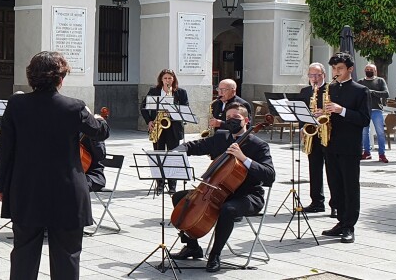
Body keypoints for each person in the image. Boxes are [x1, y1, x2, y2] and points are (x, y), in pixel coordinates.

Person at [0, 51, 108, 280]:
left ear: (31, 78)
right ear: (60, 79)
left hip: (27, 191)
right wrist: (101, 119)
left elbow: (4, 149)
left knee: (23, 256)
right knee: (67, 257)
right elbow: (100, 132)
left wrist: (1, 186)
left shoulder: (16, 104)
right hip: (66, 193)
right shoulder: (75, 107)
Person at [170, 103, 275, 272]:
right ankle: (192, 247)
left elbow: (270, 175)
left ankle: (215, 254)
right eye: (228, 118)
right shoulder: (222, 137)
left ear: (246, 120)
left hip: (248, 196)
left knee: (228, 209)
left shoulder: (259, 145)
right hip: (219, 192)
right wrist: (177, 151)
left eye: (236, 118)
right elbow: (195, 145)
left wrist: (244, 159)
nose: (231, 121)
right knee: (180, 198)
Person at [319, 52, 370, 244]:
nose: (336, 72)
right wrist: (320, 113)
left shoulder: (360, 90)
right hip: (330, 143)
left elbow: (364, 120)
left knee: (350, 186)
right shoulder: (329, 88)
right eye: (334, 68)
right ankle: (340, 220)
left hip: (349, 145)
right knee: (335, 184)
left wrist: (342, 111)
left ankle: (349, 225)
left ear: (350, 69)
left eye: (340, 68)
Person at [141, 69, 188, 193]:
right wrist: (149, 121)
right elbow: (143, 107)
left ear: (174, 79)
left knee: (173, 156)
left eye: (170, 78)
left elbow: (185, 108)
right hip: (158, 127)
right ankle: (160, 184)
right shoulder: (154, 91)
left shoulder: (181, 93)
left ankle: (172, 186)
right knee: (158, 155)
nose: (168, 81)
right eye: (165, 78)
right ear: (161, 79)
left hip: (173, 128)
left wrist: (173, 111)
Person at [300, 63, 330, 214]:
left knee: (332, 171)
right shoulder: (305, 91)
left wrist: (324, 112)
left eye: (318, 75)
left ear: (324, 75)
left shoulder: (331, 89)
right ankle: (317, 202)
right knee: (314, 169)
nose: (315, 78)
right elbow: (299, 113)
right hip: (312, 134)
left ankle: (336, 205)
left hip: (328, 134)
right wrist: (302, 128)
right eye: (312, 75)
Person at [358, 63, 389, 162]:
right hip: (364, 110)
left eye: (371, 69)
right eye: (367, 69)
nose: (369, 70)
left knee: (380, 132)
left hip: (376, 110)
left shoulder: (380, 81)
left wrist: (371, 92)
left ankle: (382, 154)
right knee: (364, 133)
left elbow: (386, 94)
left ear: (375, 71)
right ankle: (366, 152)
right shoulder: (360, 82)